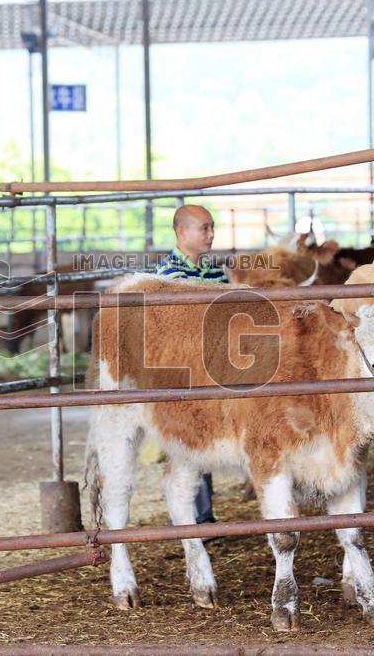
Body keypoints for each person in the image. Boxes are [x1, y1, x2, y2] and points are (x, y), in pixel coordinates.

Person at [154, 204, 225, 526]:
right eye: (204, 228)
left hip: (212, 369)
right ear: (182, 232)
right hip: (180, 372)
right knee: (185, 443)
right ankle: (188, 517)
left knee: (204, 440)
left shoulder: (217, 273)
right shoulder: (167, 275)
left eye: (212, 227)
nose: (211, 235)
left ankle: (202, 515)